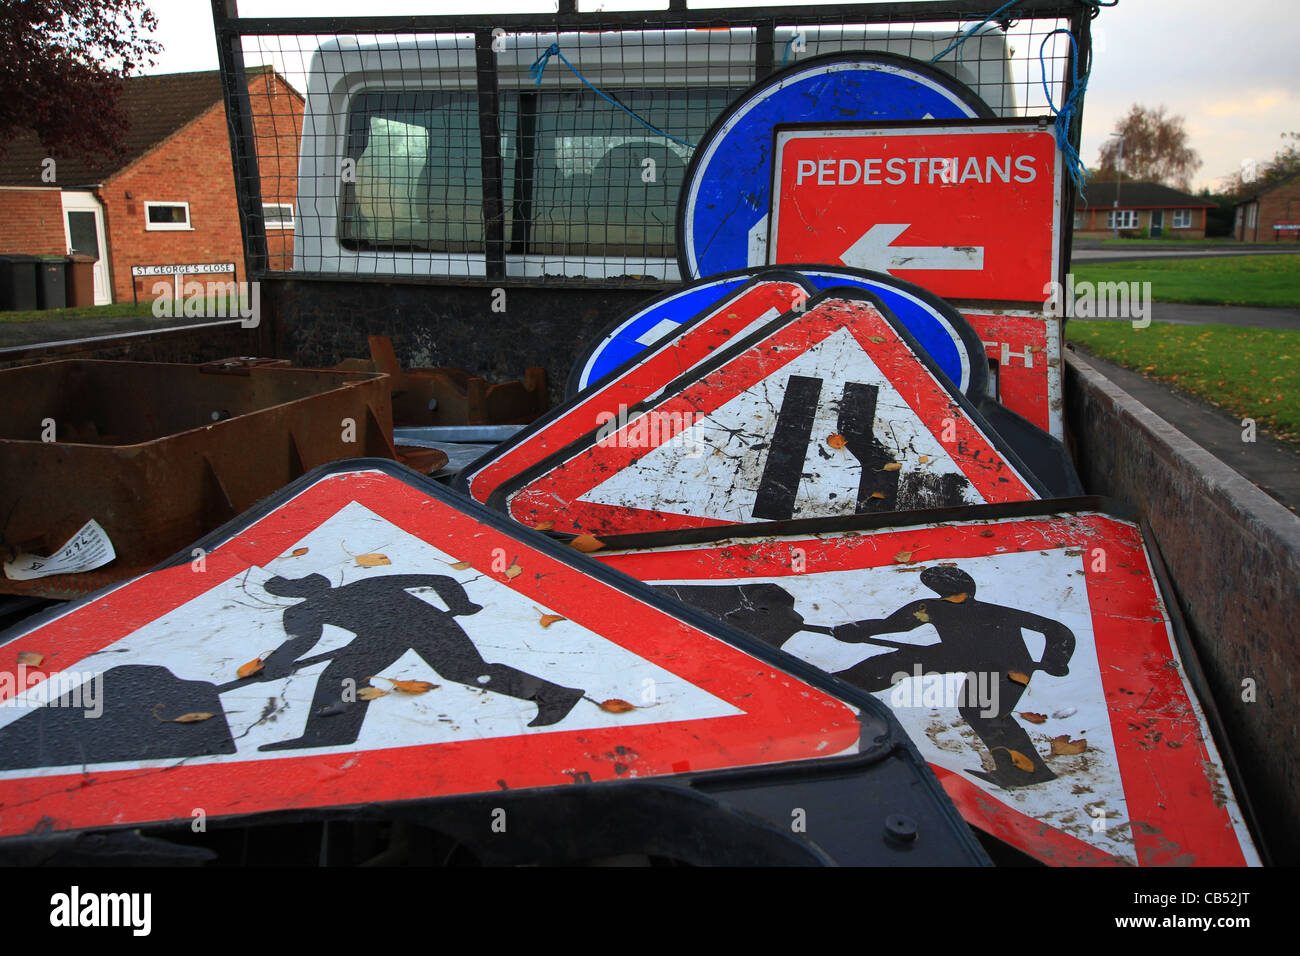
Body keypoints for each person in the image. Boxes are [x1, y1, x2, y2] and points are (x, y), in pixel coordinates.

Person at [256, 573, 585, 752]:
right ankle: (332, 733)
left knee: (468, 671)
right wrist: (278, 664)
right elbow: (301, 641)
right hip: (384, 636)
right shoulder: (302, 613)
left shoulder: (366, 584)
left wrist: (462, 605)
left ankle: (556, 695)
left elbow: (439, 580)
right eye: (292, 588)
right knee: (342, 675)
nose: (303, 590)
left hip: (424, 624)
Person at [832, 566, 1075, 789]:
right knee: (897, 662)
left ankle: (1027, 771)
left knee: (980, 709)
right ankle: (838, 682)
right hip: (964, 654)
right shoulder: (935, 607)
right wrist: (853, 630)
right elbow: (893, 624)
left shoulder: (965, 610)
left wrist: (1056, 660)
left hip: (1005, 666)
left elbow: (1056, 630)